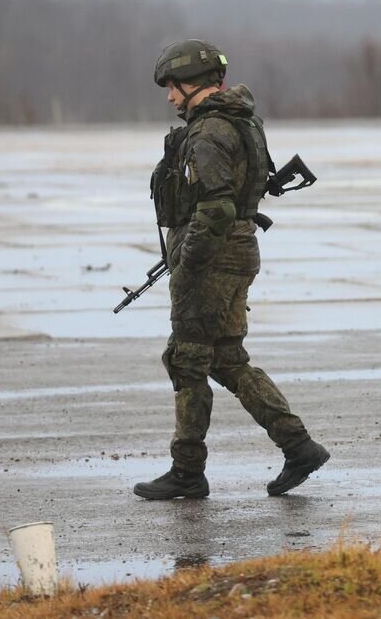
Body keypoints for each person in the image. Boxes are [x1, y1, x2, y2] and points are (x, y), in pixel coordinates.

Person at [133, 39, 329, 500]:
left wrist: (187, 259)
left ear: (193, 83)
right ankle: (298, 445)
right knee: (225, 358)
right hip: (235, 252)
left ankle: (186, 471)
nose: (169, 97)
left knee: (186, 359)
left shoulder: (209, 133)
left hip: (214, 258)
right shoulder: (237, 120)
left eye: (172, 87)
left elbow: (216, 209)